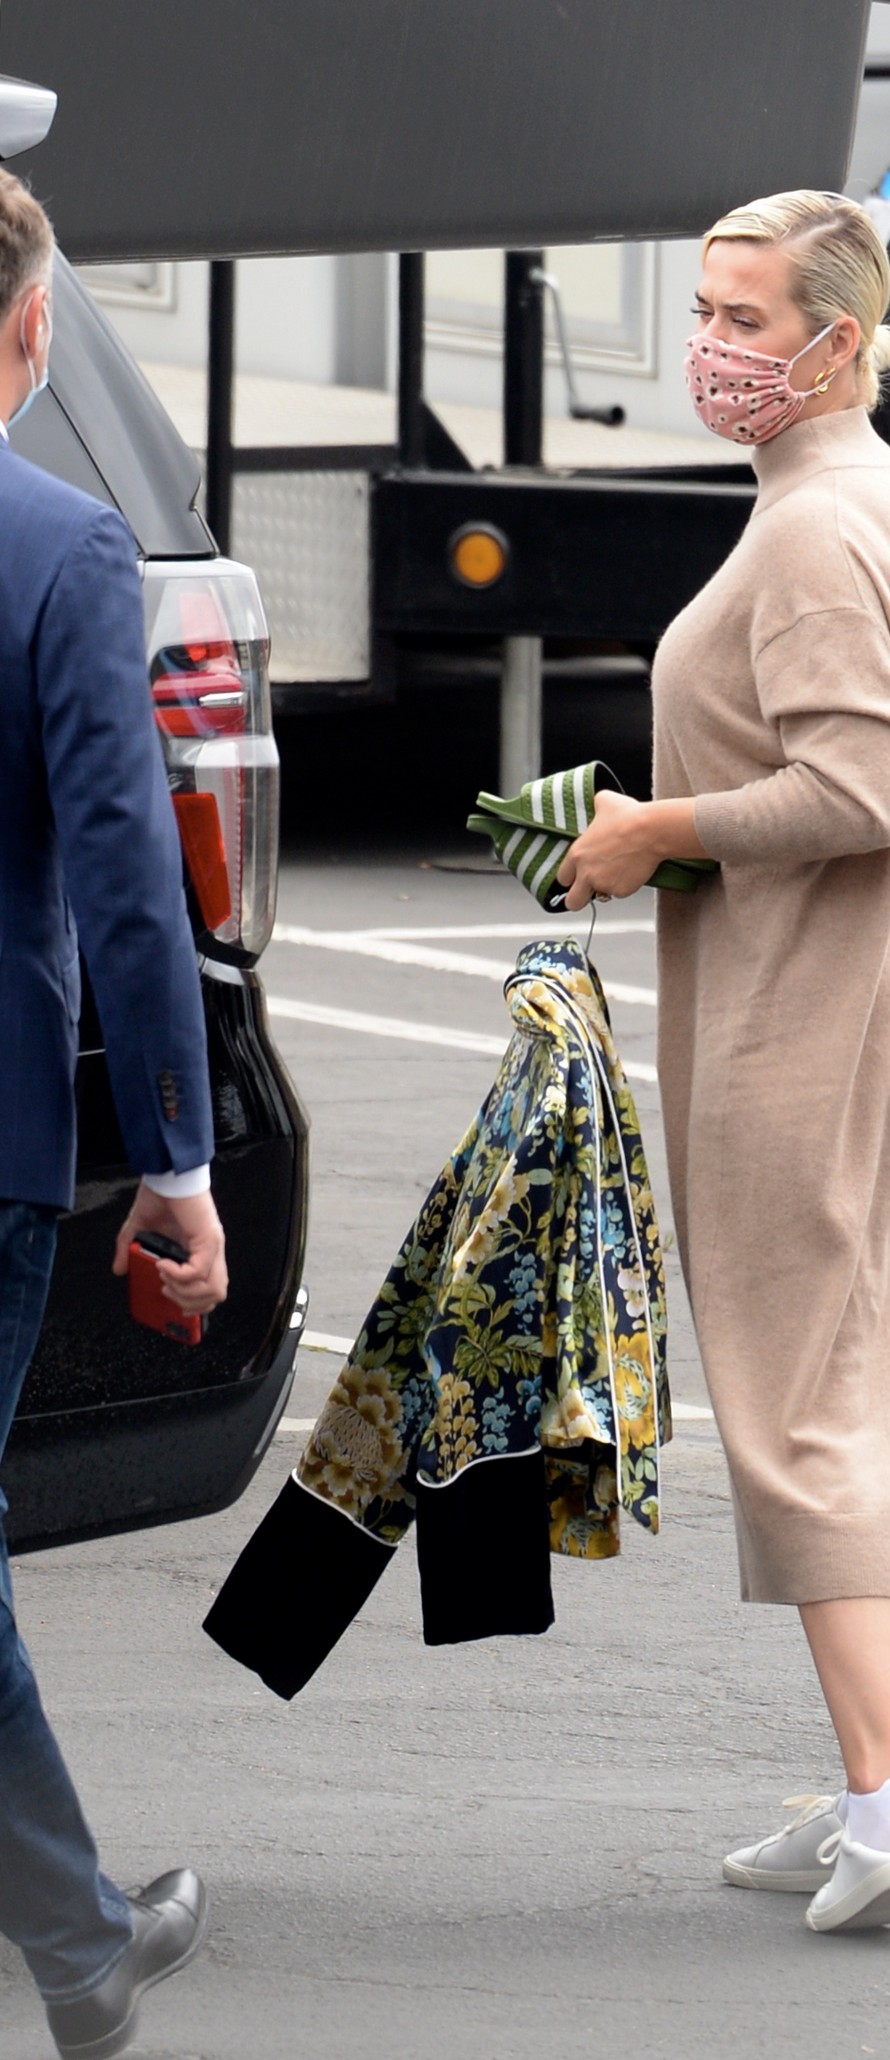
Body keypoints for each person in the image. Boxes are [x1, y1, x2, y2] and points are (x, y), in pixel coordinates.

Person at [558, 189, 890, 1932]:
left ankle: (887, 1799)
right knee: (887, 1414)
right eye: (704, 311)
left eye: (744, 321)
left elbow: (856, 789)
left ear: (838, 339)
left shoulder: (820, 527)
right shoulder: (887, 496)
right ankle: (884, 1789)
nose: (712, 349)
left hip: (817, 1028)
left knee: (808, 1414)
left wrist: (650, 829)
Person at [0, 169, 228, 2057]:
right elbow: (129, 881)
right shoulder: (62, 546)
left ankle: (80, 1938)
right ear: (28, 330)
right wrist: (176, 1156)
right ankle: (80, 1949)